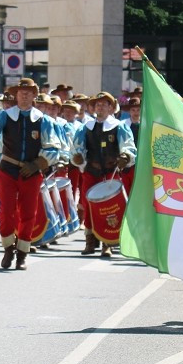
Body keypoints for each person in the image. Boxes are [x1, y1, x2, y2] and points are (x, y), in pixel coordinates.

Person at [0, 77, 62, 270]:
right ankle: (8, 248)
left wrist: (38, 163)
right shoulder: (5, 116)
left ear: (34, 95)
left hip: (31, 172)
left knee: (28, 213)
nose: (24, 95)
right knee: (6, 211)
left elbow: (53, 147)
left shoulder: (43, 120)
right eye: (21, 92)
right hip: (8, 169)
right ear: (16, 95)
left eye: (28, 92)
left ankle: (23, 252)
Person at [71, 91, 135, 258]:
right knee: (88, 205)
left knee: (110, 207)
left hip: (111, 172)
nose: (100, 106)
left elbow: (128, 146)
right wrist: (77, 157)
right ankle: (90, 241)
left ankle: (108, 243)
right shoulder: (85, 128)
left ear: (111, 107)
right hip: (91, 171)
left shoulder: (119, 127)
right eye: (97, 104)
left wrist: (125, 156)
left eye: (104, 104)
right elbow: (77, 148)